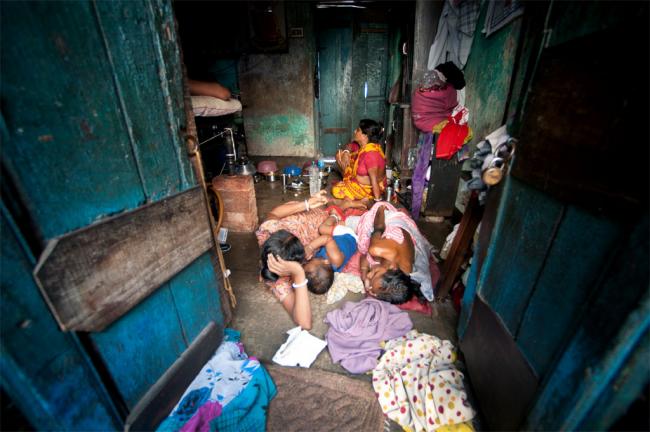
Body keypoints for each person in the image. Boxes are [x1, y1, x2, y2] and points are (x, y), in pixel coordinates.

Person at [257, 191, 365, 329]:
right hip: (326, 223)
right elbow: (305, 323)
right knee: (331, 214)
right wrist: (298, 274)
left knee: (327, 209)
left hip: (317, 216)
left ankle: (338, 206)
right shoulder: (280, 281)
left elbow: (274, 214)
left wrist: (306, 204)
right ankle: (338, 206)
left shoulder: (270, 230)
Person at [356, 201, 435, 304]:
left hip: (405, 229)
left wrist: (364, 276)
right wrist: (380, 208)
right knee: (357, 231)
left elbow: (365, 260)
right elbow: (378, 227)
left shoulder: (404, 273)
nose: (370, 274)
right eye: (375, 274)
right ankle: (370, 203)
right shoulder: (377, 249)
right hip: (388, 219)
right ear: (392, 268)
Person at [301, 208, 359, 295]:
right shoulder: (336, 259)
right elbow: (327, 239)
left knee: (322, 230)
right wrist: (310, 247)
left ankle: (335, 218)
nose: (309, 260)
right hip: (348, 235)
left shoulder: (324, 266)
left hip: (342, 240)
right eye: (310, 261)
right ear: (326, 261)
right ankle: (334, 216)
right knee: (322, 229)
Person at [331, 119, 386, 201]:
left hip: (368, 189)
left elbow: (374, 181)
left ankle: (360, 201)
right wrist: (346, 152)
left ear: (365, 135)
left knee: (336, 190)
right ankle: (348, 182)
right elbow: (349, 146)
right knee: (340, 154)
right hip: (359, 182)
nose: (354, 131)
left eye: (358, 130)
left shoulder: (371, 154)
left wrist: (378, 201)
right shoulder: (364, 147)